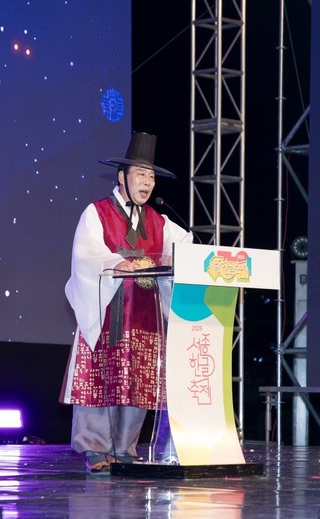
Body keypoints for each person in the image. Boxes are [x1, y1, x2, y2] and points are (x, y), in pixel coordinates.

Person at [59, 131, 193, 473]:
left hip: (145, 313)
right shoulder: (97, 213)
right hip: (109, 309)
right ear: (122, 177)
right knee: (100, 376)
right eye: (140, 175)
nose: (147, 183)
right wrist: (116, 263)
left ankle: (125, 448)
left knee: (139, 377)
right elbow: (85, 253)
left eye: (151, 177)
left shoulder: (160, 221)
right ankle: (94, 448)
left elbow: (186, 246)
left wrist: (184, 258)